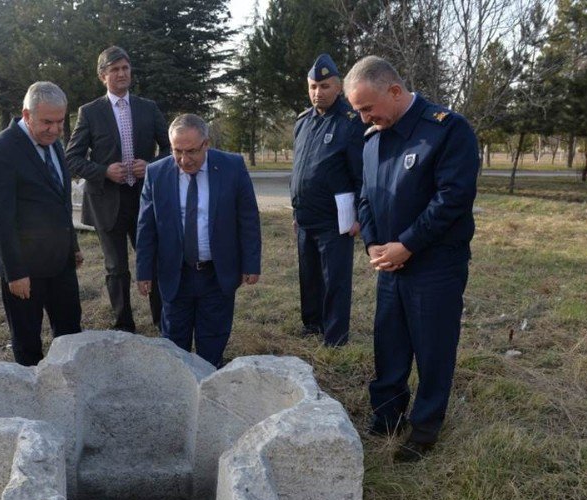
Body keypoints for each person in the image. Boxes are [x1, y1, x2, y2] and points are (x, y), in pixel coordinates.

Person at [344, 56, 479, 462]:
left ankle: (424, 428)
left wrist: (408, 244)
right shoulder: (372, 139)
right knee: (390, 342)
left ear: (395, 92)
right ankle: (386, 415)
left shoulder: (447, 130)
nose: (364, 117)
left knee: (433, 347)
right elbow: (366, 197)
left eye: (368, 108)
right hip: (389, 263)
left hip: (435, 264)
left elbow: (452, 198)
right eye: (358, 111)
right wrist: (372, 243)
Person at [136, 114, 261, 368]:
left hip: (217, 273)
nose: (184, 159)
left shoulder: (232, 167)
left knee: (213, 339)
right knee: (173, 341)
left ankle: (208, 388)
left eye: (191, 151)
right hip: (175, 273)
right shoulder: (156, 173)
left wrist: (251, 264)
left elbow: (248, 218)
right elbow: (146, 226)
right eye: (177, 151)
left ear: (206, 143)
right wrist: (144, 271)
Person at [66, 46, 169, 332]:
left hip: (145, 200)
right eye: (114, 69)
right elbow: (71, 158)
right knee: (116, 268)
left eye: (125, 68)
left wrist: (151, 166)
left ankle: (163, 323)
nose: (121, 74)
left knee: (152, 262)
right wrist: (102, 171)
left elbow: (171, 148)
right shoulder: (89, 112)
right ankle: (124, 326)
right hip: (105, 201)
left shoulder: (148, 108)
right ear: (103, 76)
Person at [0, 81, 83, 367]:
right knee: (27, 344)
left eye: (60, 122)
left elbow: (61, 199)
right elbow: (0, 217)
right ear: (27, 115)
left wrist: (72, 245)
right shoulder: (1, 150)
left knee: (70, 334)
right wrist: (15, 272)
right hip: (23, 268)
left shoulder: (55, 143)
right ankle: (31, 399)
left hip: (60, 261)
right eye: (47, 122)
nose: (54, 129)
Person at [291, 53, 366, 346]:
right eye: (312, 86)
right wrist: (296, 209)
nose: (317, 93)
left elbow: (362, 175)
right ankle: (312, 324)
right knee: (308, 274)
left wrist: (360, 214)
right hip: (306, 215)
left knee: (335, 279)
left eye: (324, 86)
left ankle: (335, 337)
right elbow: (299, 168)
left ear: (338, 87)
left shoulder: (350, 122)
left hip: (336, 218)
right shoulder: (302, 122)